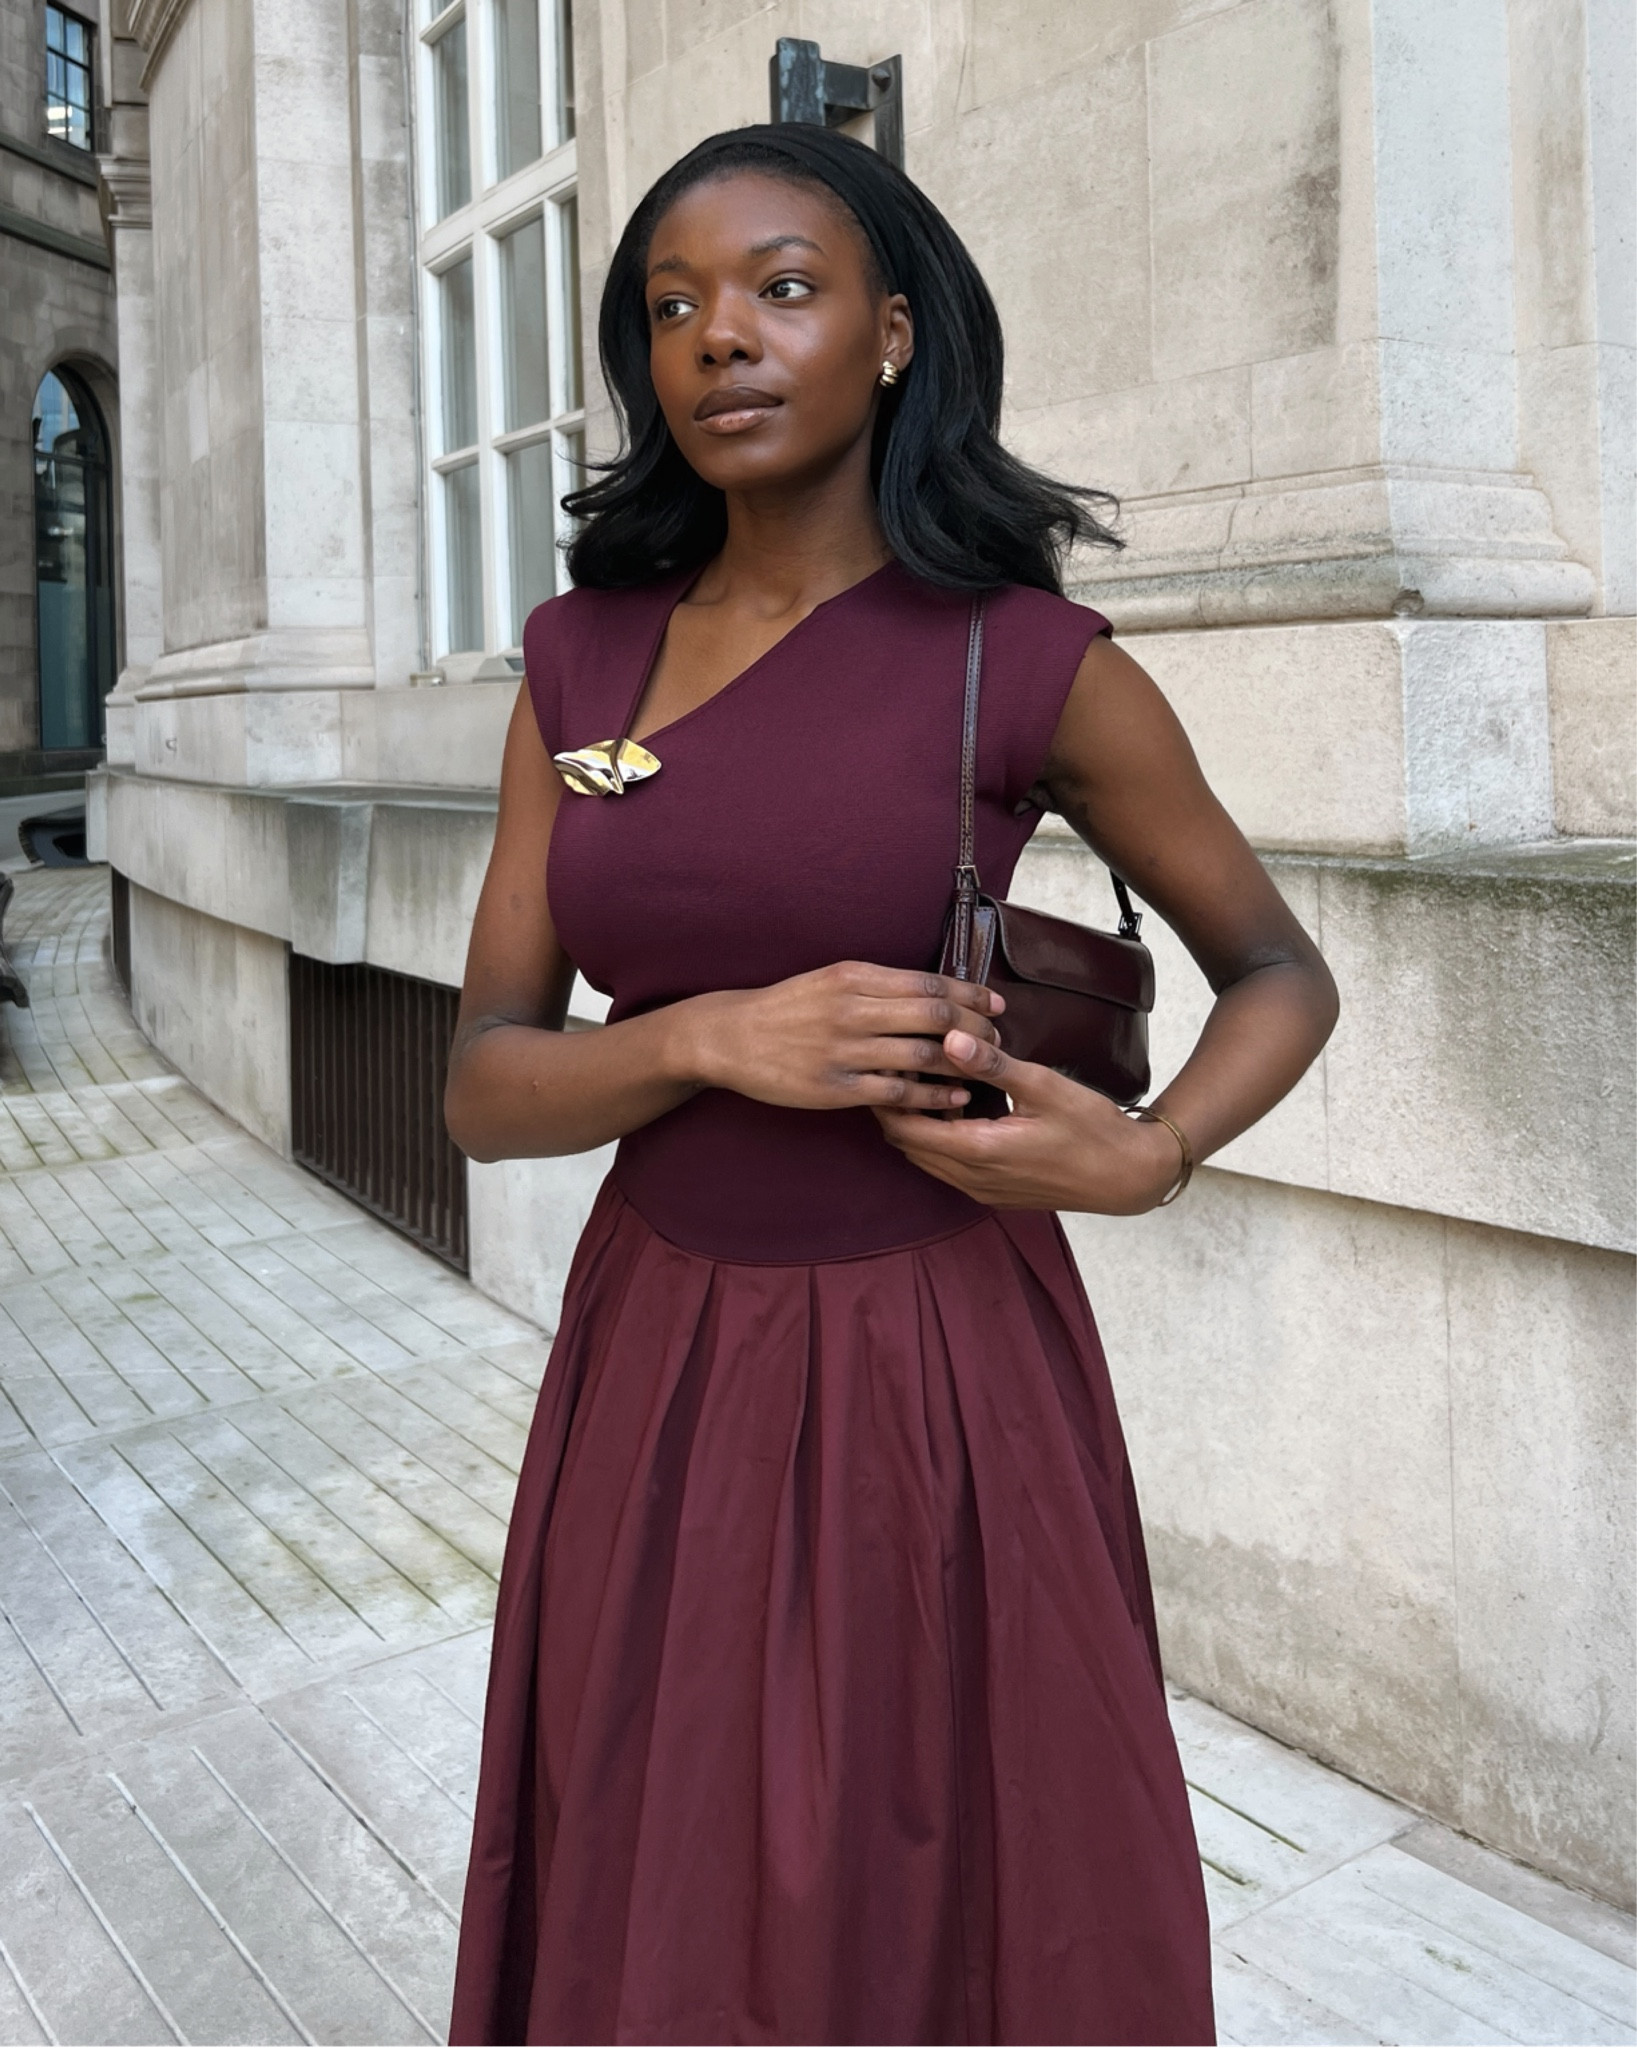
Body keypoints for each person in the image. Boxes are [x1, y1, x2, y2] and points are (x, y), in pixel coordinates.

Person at [443, 123, 1337, 2048]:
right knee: (664, 1857)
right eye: (671, 309)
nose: (719, 343)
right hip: (657, 1354)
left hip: (941, 1359)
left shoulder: (1020, 660)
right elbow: (485, 1086)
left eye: (780, 289)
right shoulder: (578, 663)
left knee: (956, 1870)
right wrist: (697, 1039)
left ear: (894, 335)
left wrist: (1153, 1152)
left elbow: (1277, 969)